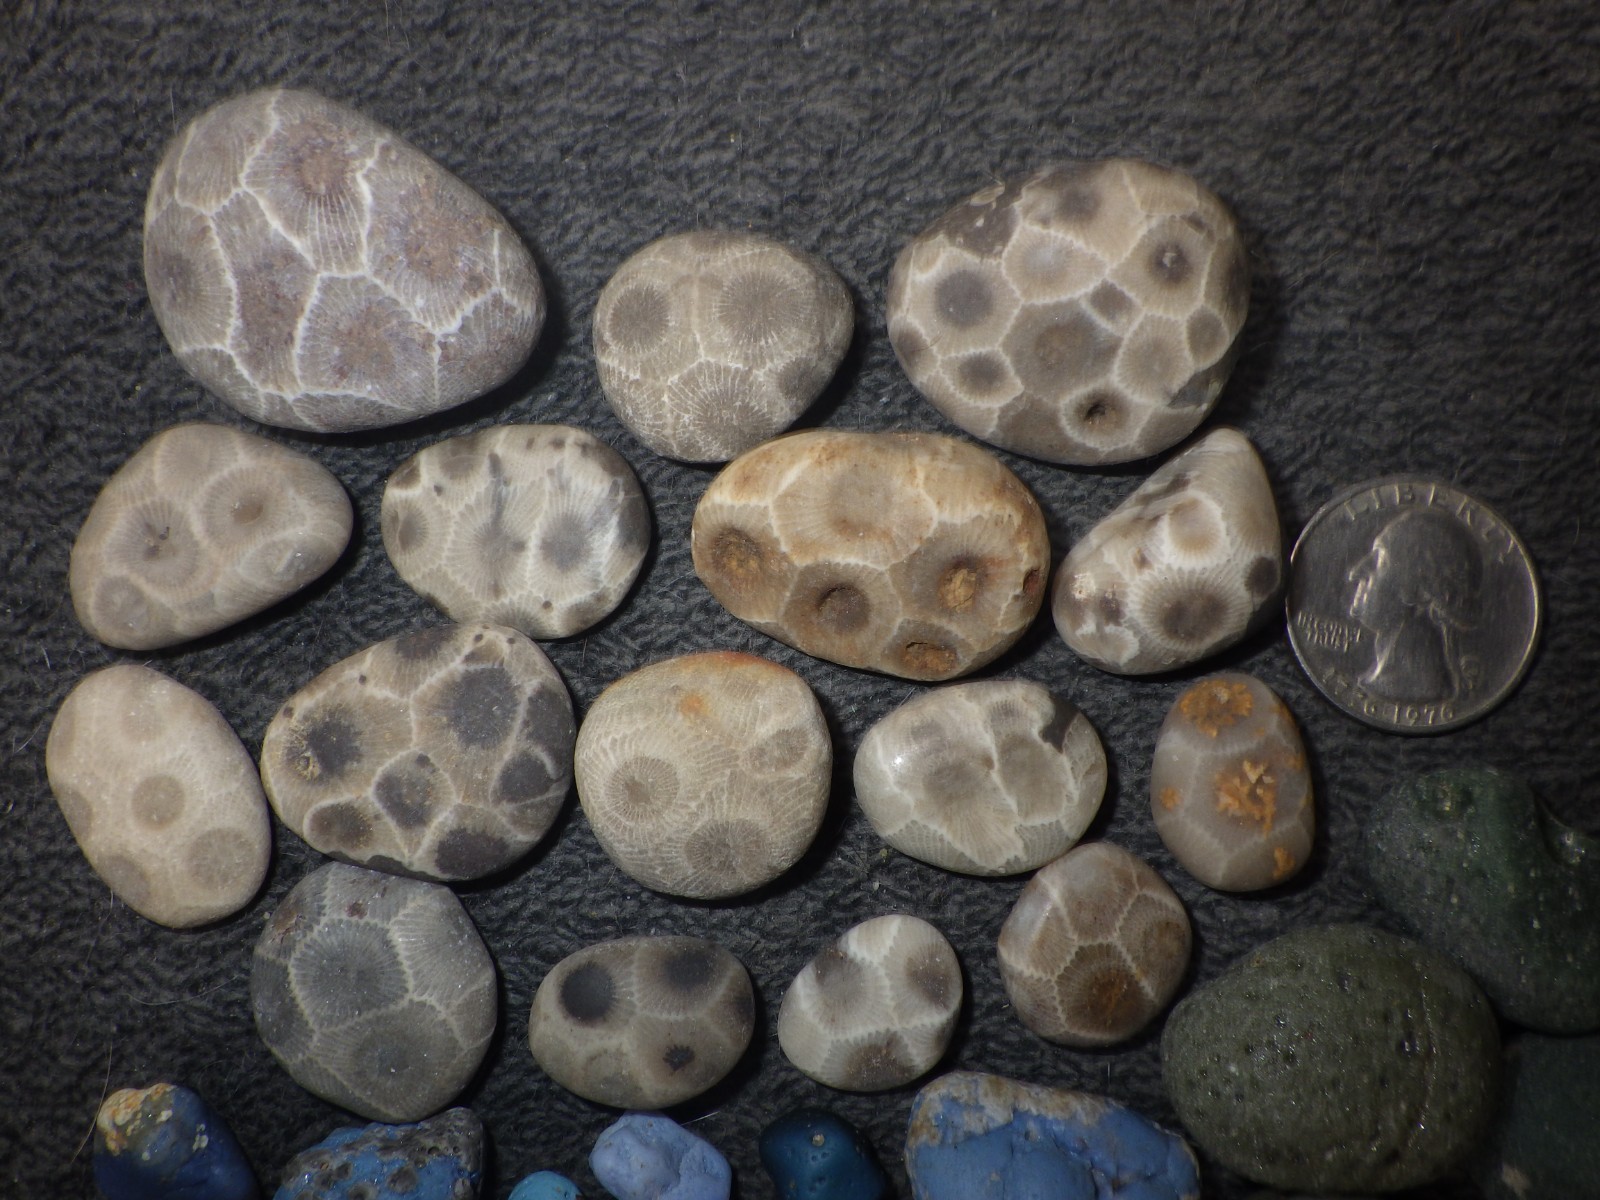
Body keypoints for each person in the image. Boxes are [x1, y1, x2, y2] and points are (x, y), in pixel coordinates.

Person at [1345, 508, 1482, 706]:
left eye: (1380, 561)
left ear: (1419, 590)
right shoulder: (1391, 678)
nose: (1356, 572)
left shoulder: (1412, 685)